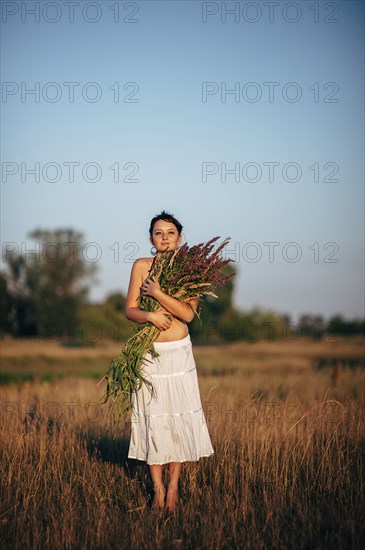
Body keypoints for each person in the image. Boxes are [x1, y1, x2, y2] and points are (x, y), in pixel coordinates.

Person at [125, 210, 214, 512]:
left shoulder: (192, 271)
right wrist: (149, 315)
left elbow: (188, 314)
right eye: (158, 233)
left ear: (180, 238)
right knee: (154, 420)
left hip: (179, 355)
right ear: (150, 238)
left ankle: (174, 487)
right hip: (150, 355)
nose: (164, 237)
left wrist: (159, 293)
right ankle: (157, 489)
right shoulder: (141, 266)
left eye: (170, 233)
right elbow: (130, 310)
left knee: (177, 420)